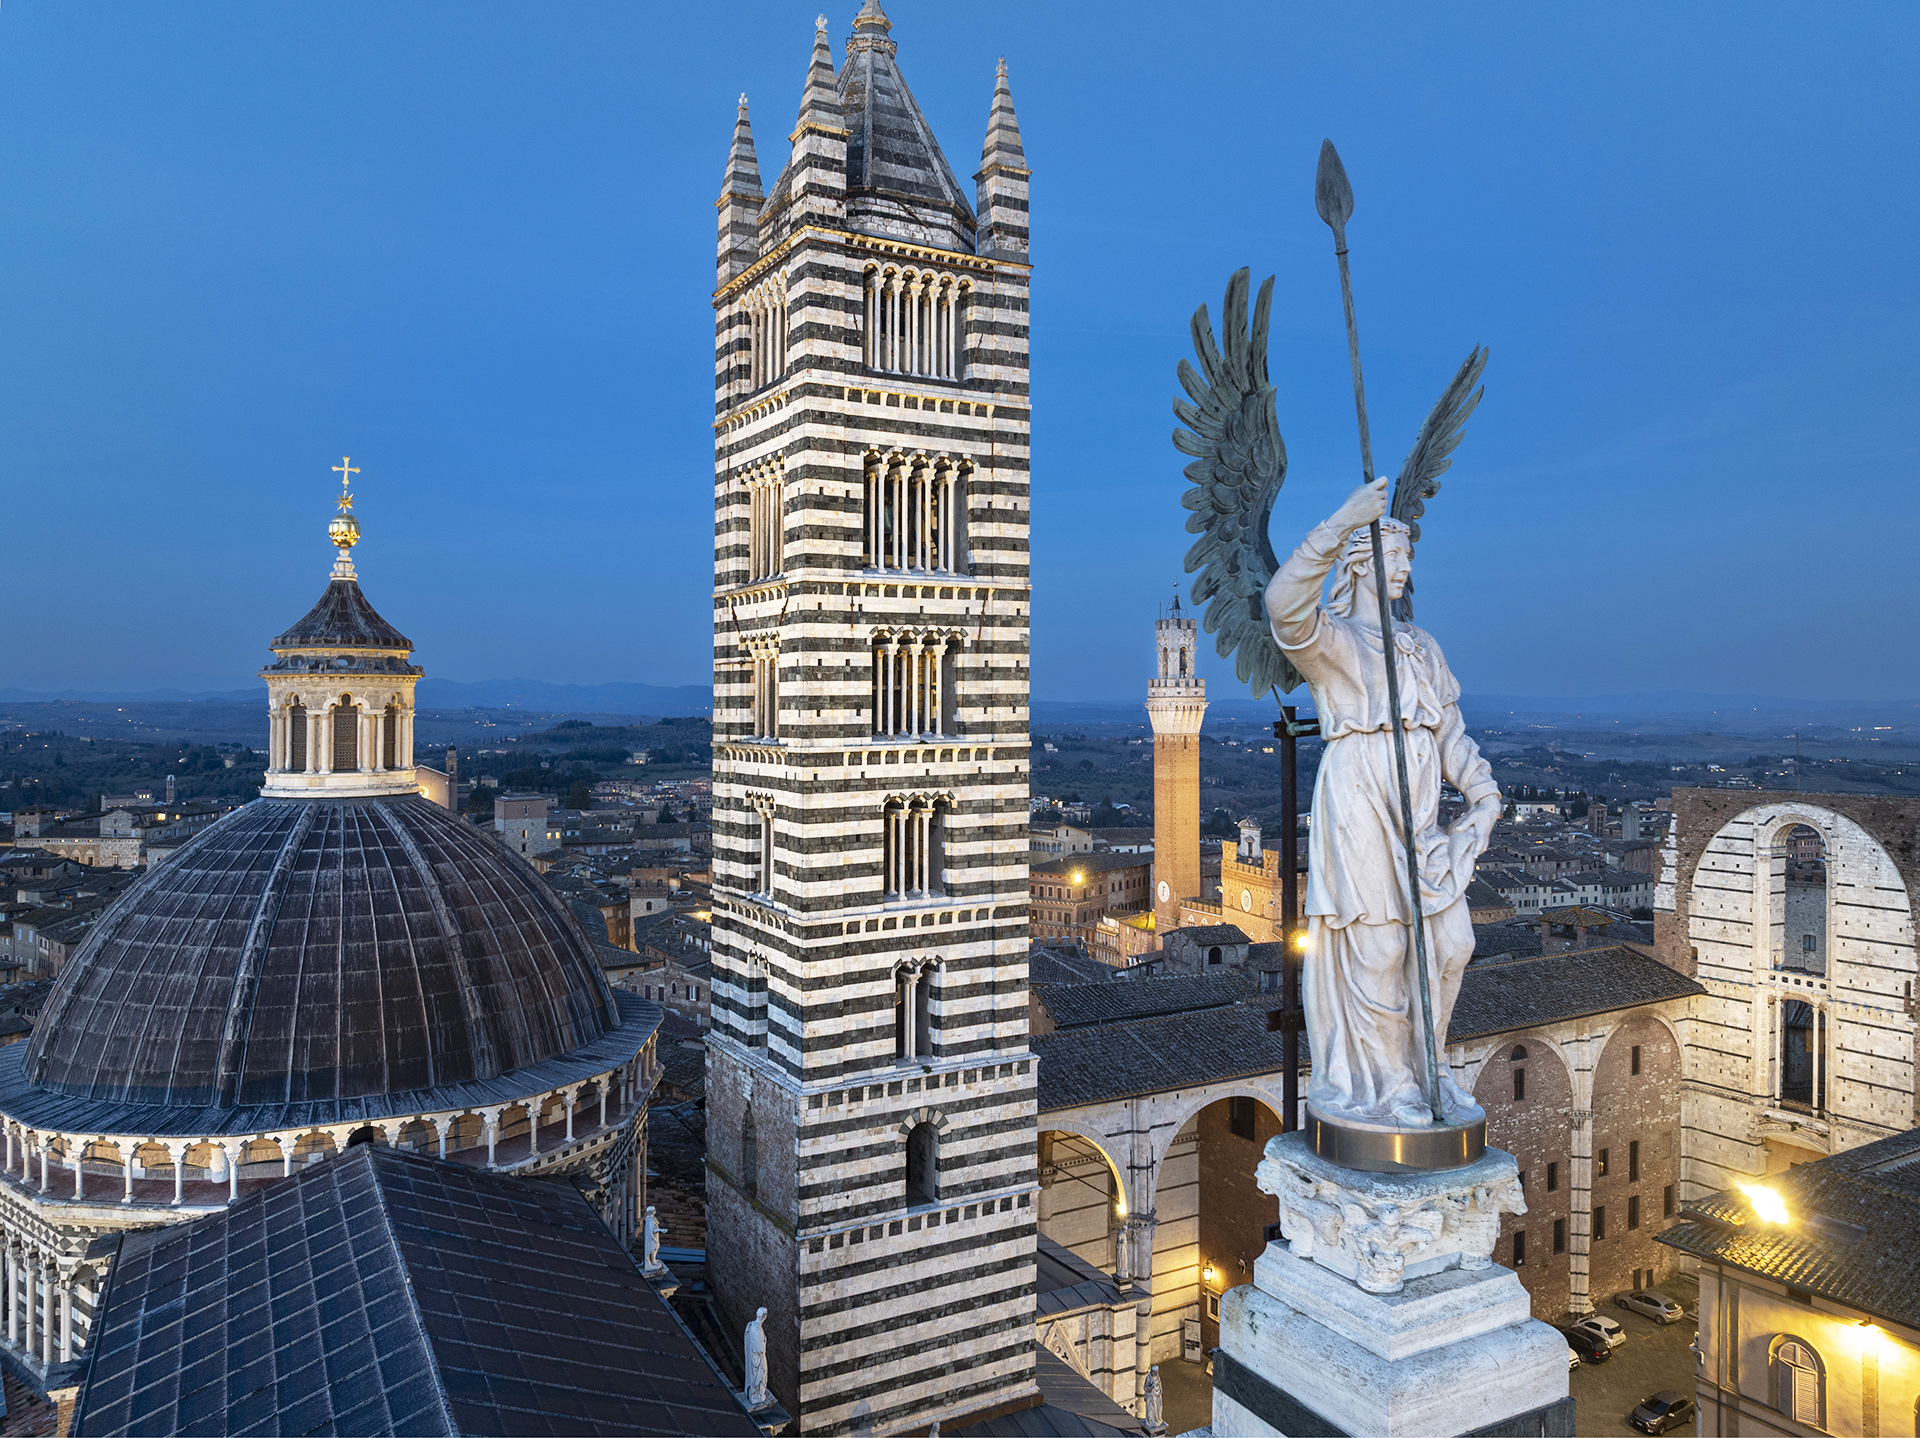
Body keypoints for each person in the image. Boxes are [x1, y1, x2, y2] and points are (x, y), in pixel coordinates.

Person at [1264, 477, 1500, 1130]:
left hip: (1419, 813)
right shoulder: (1333, 641)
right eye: (1395, 556)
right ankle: (1393, 1082)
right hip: (1359, 799)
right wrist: (1341, 521)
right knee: (1382, 949)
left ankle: (1430, 1065)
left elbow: (1449, 735)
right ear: (1362, 564)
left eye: (1409, 557)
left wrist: (1481, 789)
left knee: (1451, 944)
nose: (1405, 568)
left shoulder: (1423, 647)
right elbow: (1282, 604)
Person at [744, 1306, 770, 1408]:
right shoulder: (758, 1330)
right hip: (758, 1359)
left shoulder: (751, 1325)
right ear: (764, 1316)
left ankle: (756, 1394)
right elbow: (761, 1349)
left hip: (754, 1357)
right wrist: (765, 1340)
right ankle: (758, 1395)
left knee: (758, 1376)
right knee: (761, 1376)